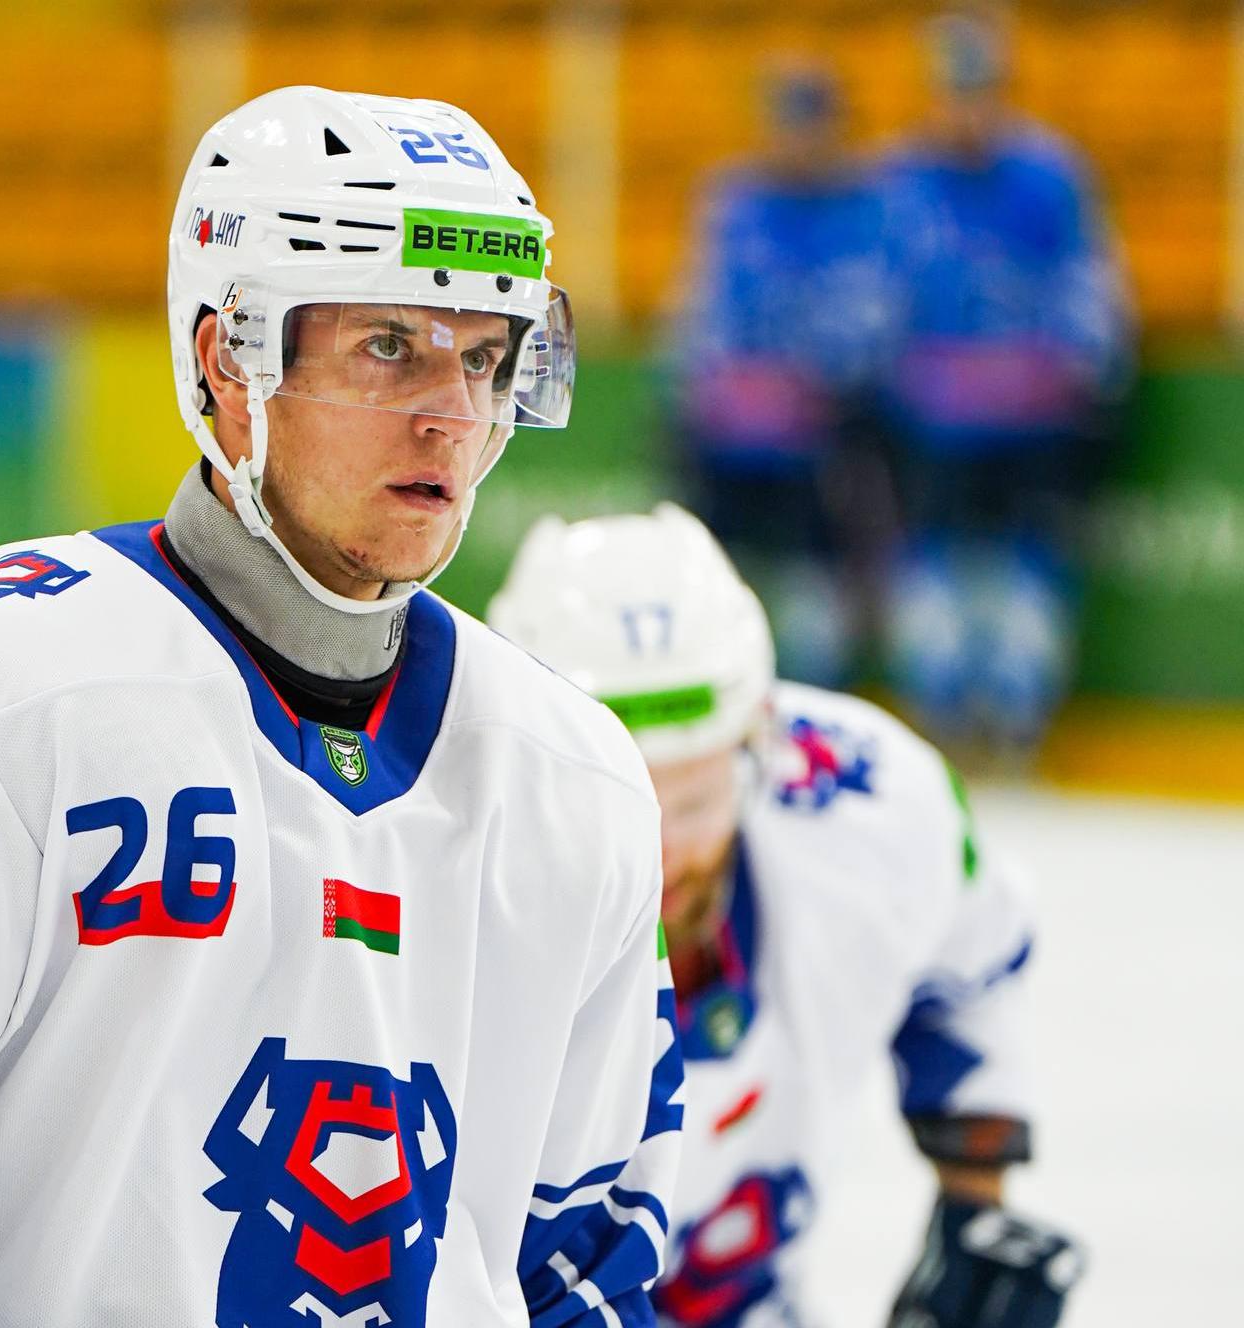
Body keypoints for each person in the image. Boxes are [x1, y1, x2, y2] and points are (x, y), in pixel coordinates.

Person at [0, 86, 683, 1326]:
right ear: (228, 360)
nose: (453, 415)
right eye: (389, 346)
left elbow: (586, 1274)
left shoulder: (572, 775)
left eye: (482, 357)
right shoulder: (0, 695)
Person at [489, 506, 1081, 1328]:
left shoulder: (873, 808)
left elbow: (974, 955)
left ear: (758, 747)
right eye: (617, 807)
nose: (658, 855)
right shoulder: (427, 869)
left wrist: (973, 1202)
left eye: (692, 803)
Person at [875, 7, 1130, 755]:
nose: (967, 109)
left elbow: (1091, 289)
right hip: (929, 427)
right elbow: (874, 298)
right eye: (954, 91)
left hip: (1033, 426)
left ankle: (1019, 709)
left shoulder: (1052, 175)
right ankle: (942, 705)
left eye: (979, 90)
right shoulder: (899, 181)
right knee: (927, 562)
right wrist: (898, 373)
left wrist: (1072, 367)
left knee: (1031, 564)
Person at [665, 57, 895, 690]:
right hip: (732, 448)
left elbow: (876, 320)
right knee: (724, 589)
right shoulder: (735, 200)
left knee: (814, 611)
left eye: (810, 123)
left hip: (826, 448)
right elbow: (699, 315)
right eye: (787, 122)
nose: (797, 138)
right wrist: (709, 390)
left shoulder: (868, 208)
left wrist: (818, 379)